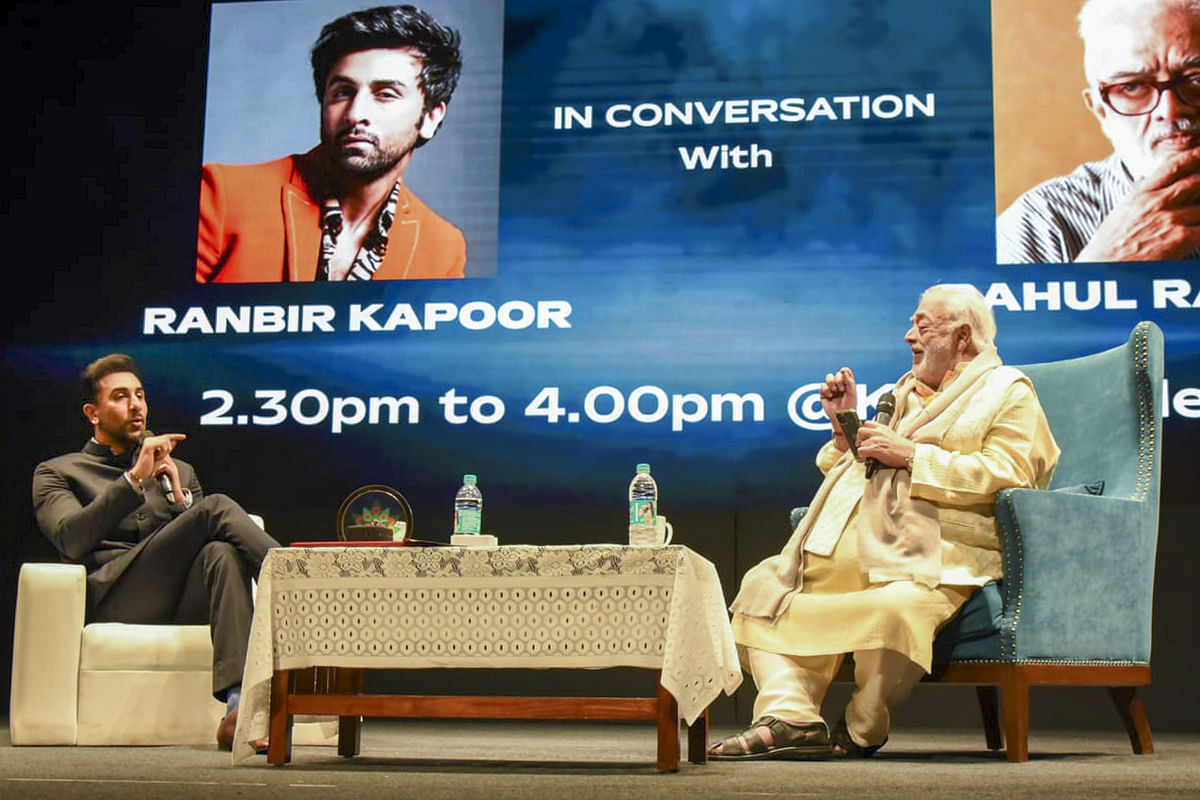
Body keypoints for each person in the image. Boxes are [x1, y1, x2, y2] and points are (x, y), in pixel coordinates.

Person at [710, 284, 1060, 760]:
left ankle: (861, 727)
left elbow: (1011, 474)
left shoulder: (1007, 391)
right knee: (762, 589)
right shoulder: (902, 394)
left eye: (922, 326)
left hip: (936, 553)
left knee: (897, 607)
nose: (908, 336)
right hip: (846, 549)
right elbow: (867, 467)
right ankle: (792, 718)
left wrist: (914, 455)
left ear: (962, 338)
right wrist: (844, 428)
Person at [32, 354, 281, 751]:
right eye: (120, 397)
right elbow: (70, 539)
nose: (135, 405)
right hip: (118, 597)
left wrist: (180, 499)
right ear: (92, 413)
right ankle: (304, 583)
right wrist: (134, 480)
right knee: (215, 508)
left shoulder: (178, 470)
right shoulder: (59, 472)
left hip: (180, 598)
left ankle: (238, 711)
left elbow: (192, 546)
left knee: (222, 553)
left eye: (140, 395)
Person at [197, 4, 466, 282]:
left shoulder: (443, 247)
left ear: (431, 118)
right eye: (343, 92)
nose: (355, 114)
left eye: (386, 94)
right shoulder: (222, 196)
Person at [997, 0, 1200, 263]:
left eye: (1196, 79)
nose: (1170, 110)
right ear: (1100, 110)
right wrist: (1103, 267)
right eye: (1132, 87)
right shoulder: (1041, 222)